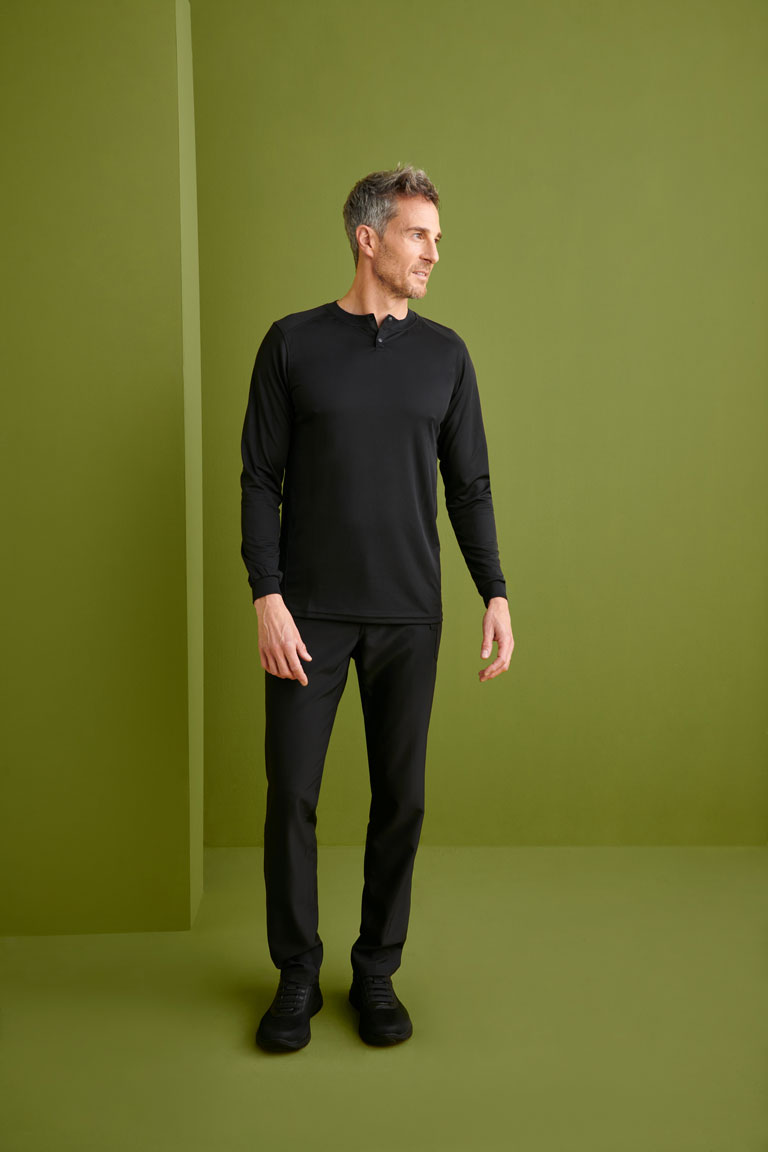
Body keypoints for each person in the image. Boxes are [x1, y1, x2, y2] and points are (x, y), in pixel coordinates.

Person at [240, 164, 514, 1053]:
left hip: (407, 614)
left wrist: (495, 591)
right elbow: (259, 478)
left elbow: (469, 486)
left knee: (401, 799)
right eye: (418, 235)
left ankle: (375, 971)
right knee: (292, 795)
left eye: (436, 237)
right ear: (369, 239)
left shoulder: (446, 356)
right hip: (307, 616)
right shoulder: (291, 345)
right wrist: (267, 595)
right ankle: (296, 975)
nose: (433, 252)